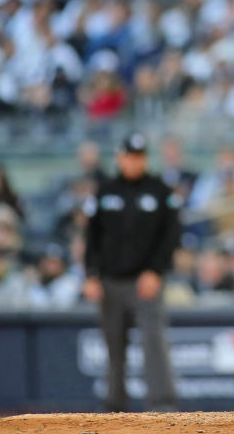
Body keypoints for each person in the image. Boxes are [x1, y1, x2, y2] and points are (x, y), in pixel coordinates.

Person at [83, 133, 181, 413]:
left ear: (145, 159)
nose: (134, 162)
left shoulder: (160, 190)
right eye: (129, 156)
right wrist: (91, 273)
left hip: (145, 281)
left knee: (153, 341)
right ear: (119, 158)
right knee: (113, 344)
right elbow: (92, 236)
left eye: (139, 157)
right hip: (110, 280)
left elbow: (171, 235)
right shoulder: (104, 191)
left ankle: (163, 404)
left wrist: (155, 270)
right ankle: (114, 405)